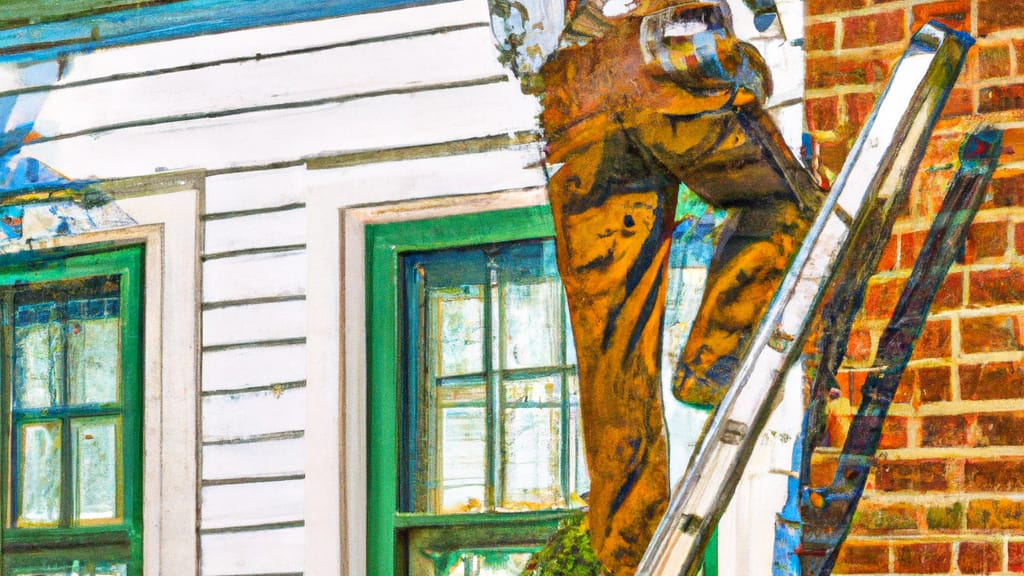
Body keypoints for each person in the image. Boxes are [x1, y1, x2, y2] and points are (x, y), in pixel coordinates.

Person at [535, 1, 824, 572]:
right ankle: (708, 361)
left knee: (610, 352)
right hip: (666, 60)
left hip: (571, 100)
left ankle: (629, 554)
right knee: (785, 203)